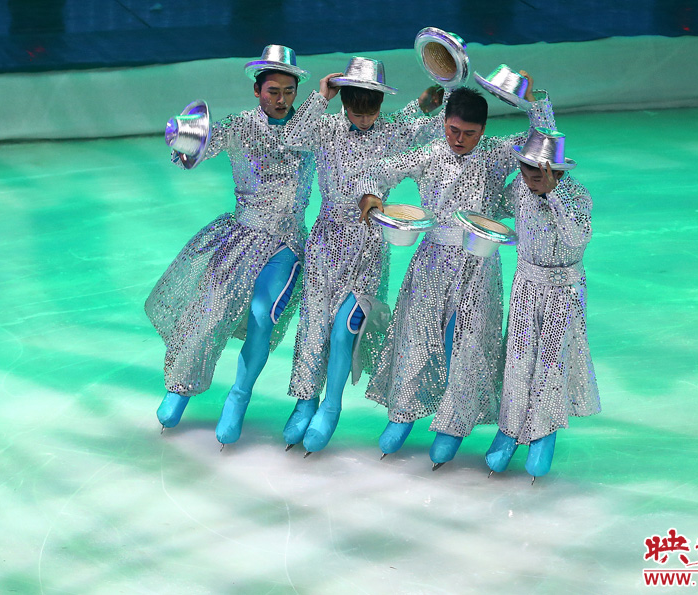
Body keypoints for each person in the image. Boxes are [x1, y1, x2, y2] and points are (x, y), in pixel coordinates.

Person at [356, 78, 557, 469]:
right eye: (452, 130)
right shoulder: (431, 153)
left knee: (465, 344)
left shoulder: (496, 154)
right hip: (431, 260)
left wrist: (534, 103)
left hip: (479, 265)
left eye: (468, 133)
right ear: (444, 122)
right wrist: (372, 197)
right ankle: (403, 412)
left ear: (483, 130)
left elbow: (545, 139)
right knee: (416, 337)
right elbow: (377, 171)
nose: (459, 139)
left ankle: (453, 424)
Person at [145, 45, 315, 446]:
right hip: (240, 238)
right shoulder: (240, 125)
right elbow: (197, 148)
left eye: (289, 91)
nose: (281, 100)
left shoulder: (311, 129)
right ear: (257, 91)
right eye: (273, 91)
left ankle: (238, 398)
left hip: (286, 245)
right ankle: (180, 388)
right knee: (209, 314)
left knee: (262, 317)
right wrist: (183, 140)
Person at [281, 57, 444, 455]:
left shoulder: (390, 130)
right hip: (325, 242)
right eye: (357, 112)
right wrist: (320, 96)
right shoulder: (326, 128)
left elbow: (432, 126)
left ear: (380, 104)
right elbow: (292, 136)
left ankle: (331, 406)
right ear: (345, 102)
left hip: (368, 244)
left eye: (372, 112)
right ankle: (305, 400)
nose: (365, 120)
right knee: (314, 327)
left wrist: (432, 100)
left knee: (345, 329)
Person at [484, 127, 599, 480]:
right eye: (526, 174)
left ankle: (543, 434)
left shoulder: (578, 196)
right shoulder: (520, 187)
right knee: (518, 360)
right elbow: (494, 205)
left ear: (557, 172)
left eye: (539, 177)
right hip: (526, 286)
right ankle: (509, 428)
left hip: (563, 292)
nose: (530, 182)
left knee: (551, 364)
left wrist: (554, 195)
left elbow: (578, 238)